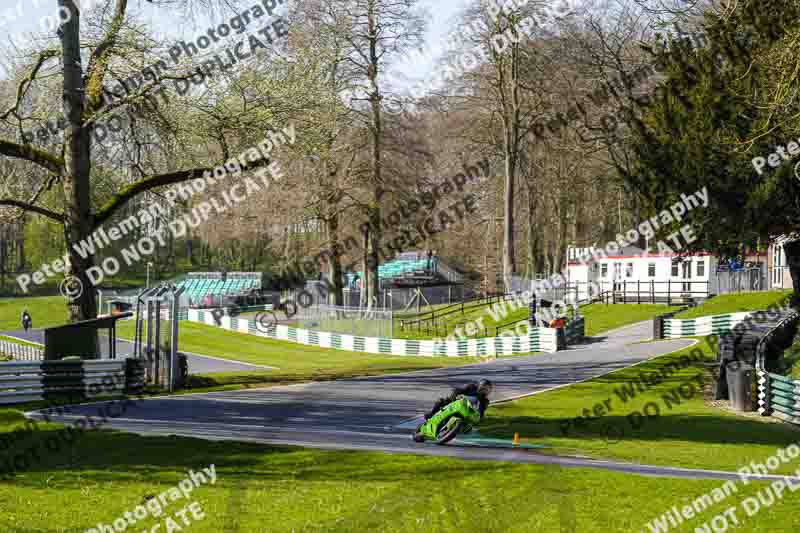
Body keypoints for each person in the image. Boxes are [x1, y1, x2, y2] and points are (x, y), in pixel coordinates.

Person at [424, 379, 494, 421]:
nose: (483, 390)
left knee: (470, 426)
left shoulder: (485, 400)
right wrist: (455, 396)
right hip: (456, 403)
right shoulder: (471, 387)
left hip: (467, 413)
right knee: (441, 401)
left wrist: (480, 416)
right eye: (483, 388)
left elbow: (481, 412)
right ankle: (432, 414)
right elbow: (458, 390)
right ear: (479, 385)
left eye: (486, 390)